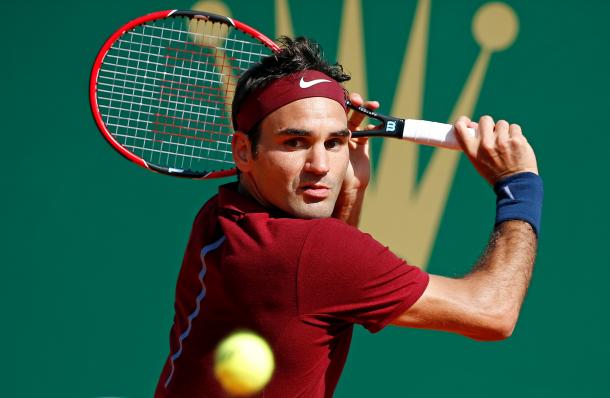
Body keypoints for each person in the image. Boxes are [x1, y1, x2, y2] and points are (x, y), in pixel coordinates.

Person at [154, 37, 542, 397]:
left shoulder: (220, 216)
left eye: (335, 142)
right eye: (295, 142)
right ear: (243, 151)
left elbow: (315, 294)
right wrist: (518, 185)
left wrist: (352, 191)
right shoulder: (312, 254)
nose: (321, 165)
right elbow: (493, 312)